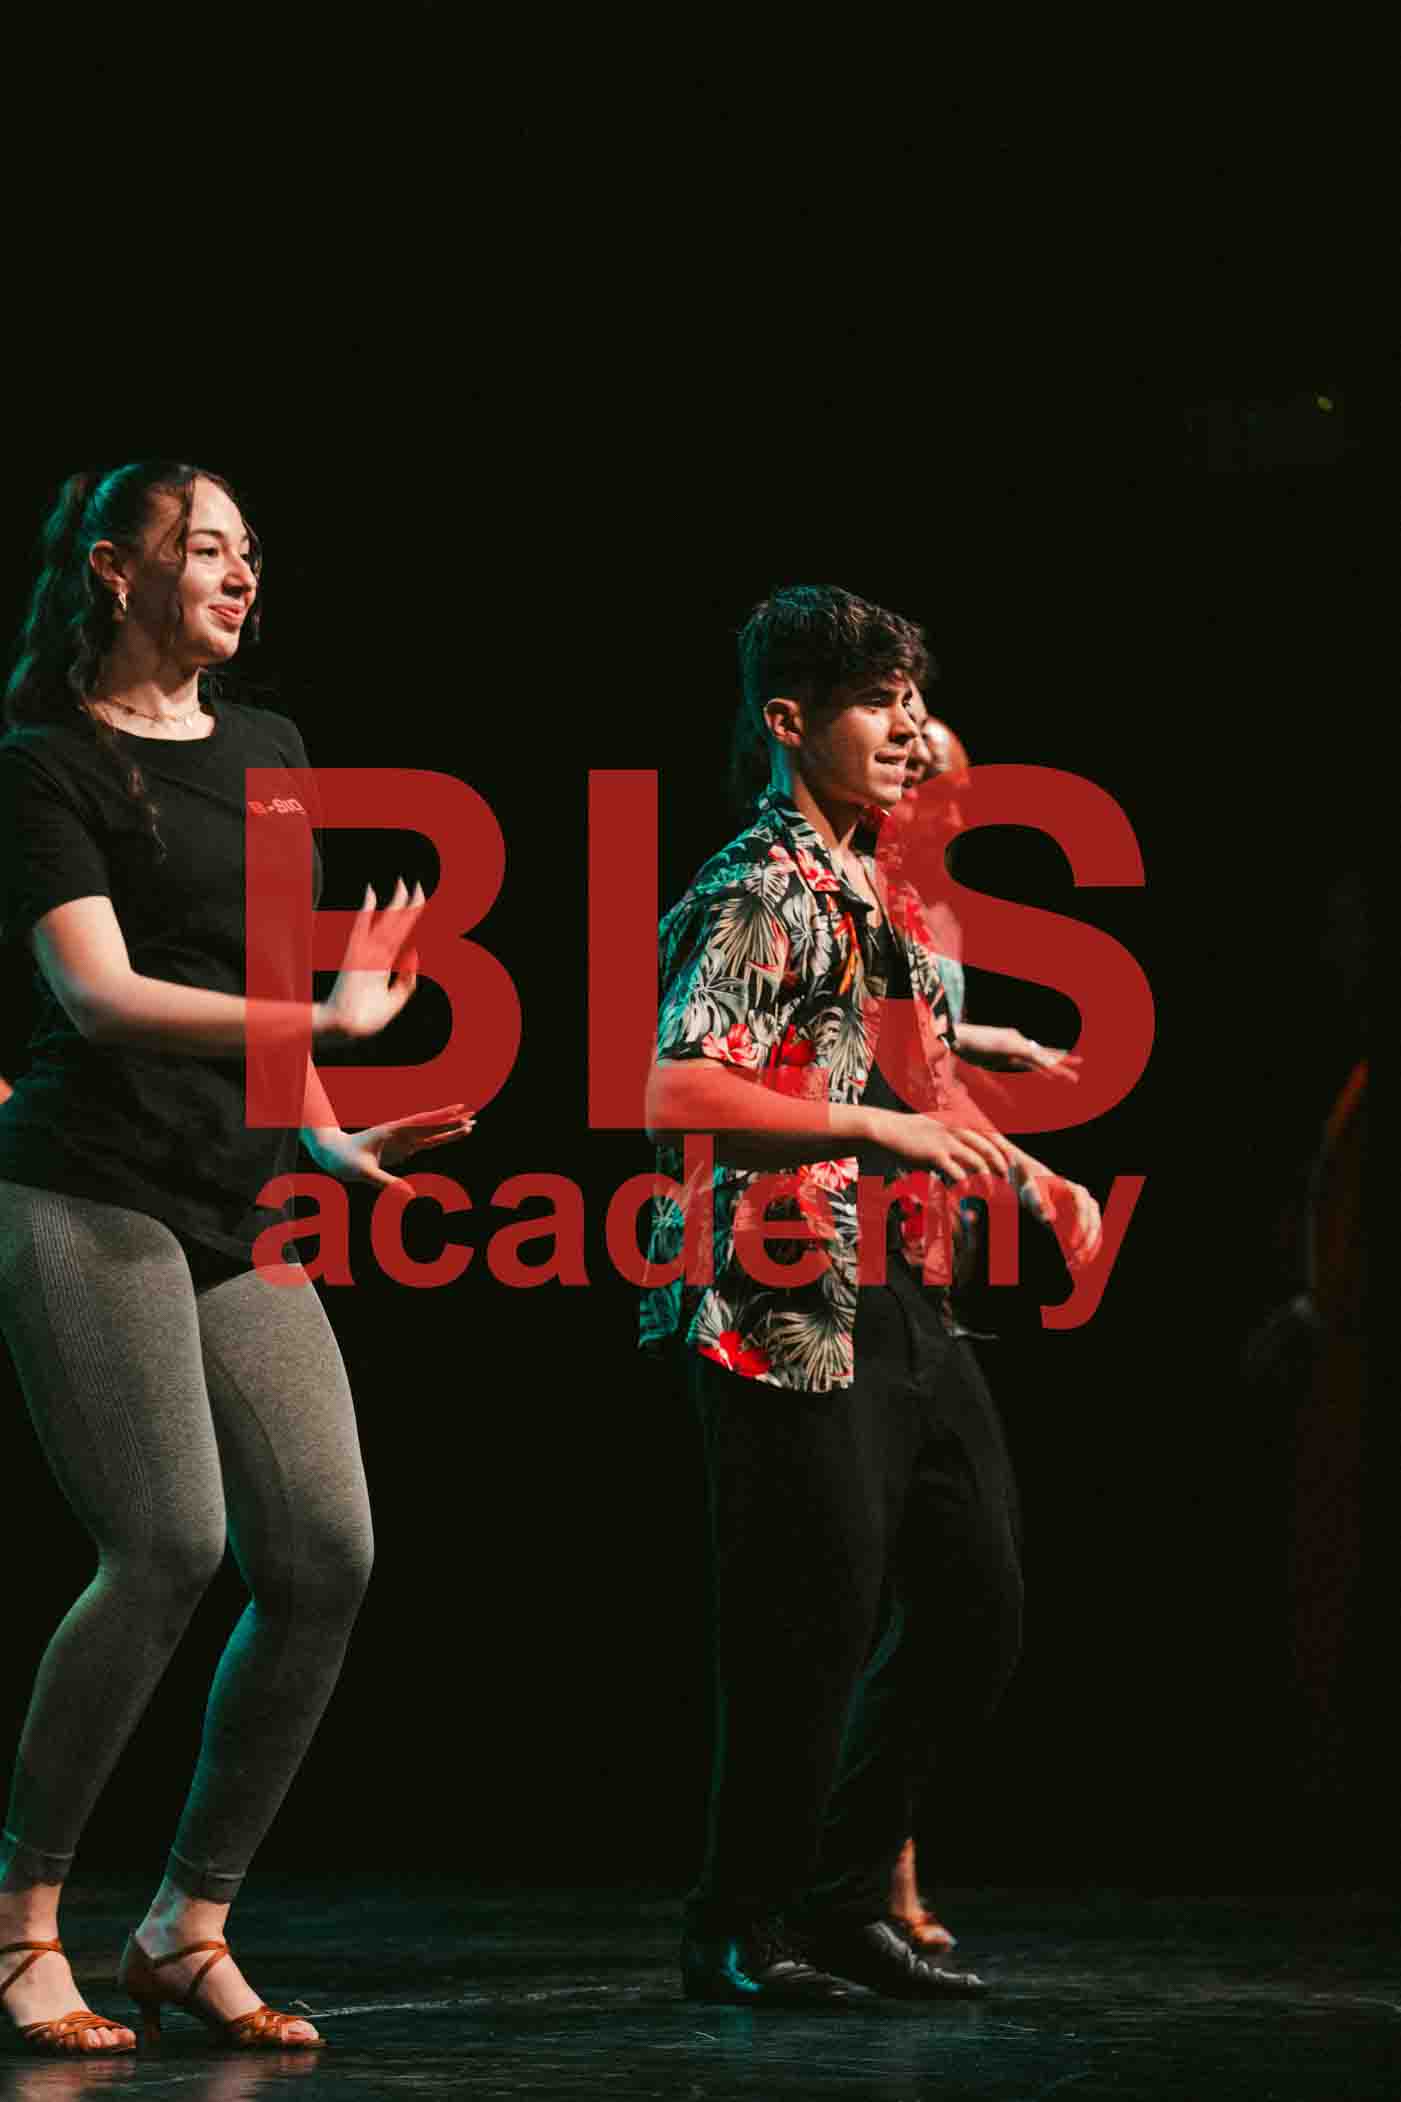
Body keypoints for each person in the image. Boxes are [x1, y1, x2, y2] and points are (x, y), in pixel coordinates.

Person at [0, 462, 472, 2055]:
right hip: (88, 1184)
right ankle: (21, 1923)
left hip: (237, 1192)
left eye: (249, 551)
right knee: (165, 1543)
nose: (241, 571)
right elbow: (102, 995)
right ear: (113, 569)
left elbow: (258, 971)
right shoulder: (44, 762)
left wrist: (324, 1132)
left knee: (326, 1552)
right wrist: (322, 1015)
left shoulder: (269, 747)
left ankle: (184, 1926)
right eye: (206, 546)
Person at [642, 584, 1101, 2005]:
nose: (907, 728)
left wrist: (1029, 1170)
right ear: (789, 722)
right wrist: (872, 1131)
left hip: (898, 1281)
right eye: (873, 703)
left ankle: (842, 1901)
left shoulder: (874, 886)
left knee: (978, 1603)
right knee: (806, 1622)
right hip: (776, 1285)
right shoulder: (757, 885)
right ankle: (738, 1921)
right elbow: (675, 1090)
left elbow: (905, 1071)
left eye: (912, 699)